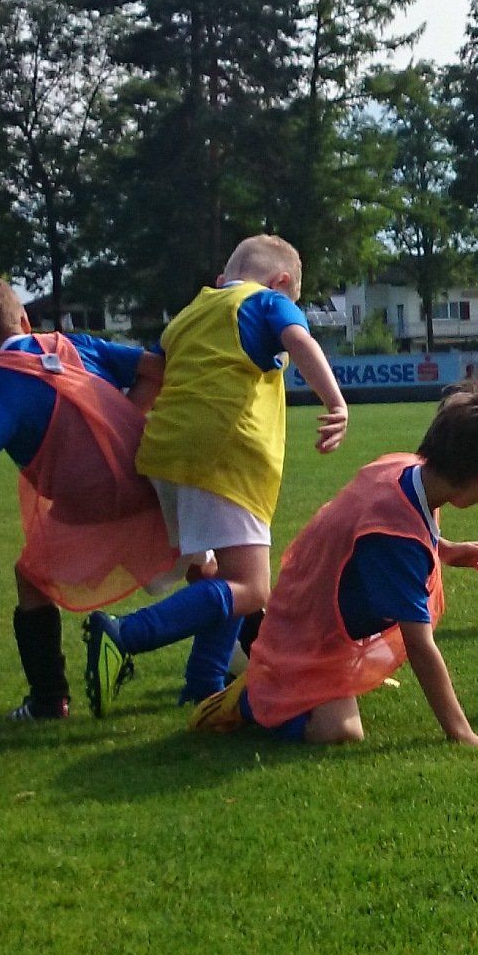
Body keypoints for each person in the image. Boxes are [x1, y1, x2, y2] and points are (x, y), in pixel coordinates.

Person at [0, 271, 181, 721]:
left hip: (86, 502)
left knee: (31, 578)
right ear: (24, 320)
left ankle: (50, 700)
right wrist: (122, 424)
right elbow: (157, 370)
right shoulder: (73, 345)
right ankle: (254, 650)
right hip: (150, 480)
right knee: (210, 567)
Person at [82, 235, 352, 711]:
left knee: (224, 576)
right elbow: (299, 340)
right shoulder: (267, 301)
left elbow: (151, 380)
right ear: (281, 282)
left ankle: (204, 683)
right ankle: (125, 634)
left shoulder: (187, 315)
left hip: (164, 453)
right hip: (225, 452)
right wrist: (336, 402)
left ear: (222, 279)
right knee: (251, 588)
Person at [197, 385, 478, 747]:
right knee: (340, 731)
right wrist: (462, 733)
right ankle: (247, 699)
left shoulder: (406, 468)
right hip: (309, 637)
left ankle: (280, 678)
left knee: (343, 710)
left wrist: (446, 550)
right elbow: (420, 645)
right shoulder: (395, 535)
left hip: (310, 609)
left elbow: (378, 529)